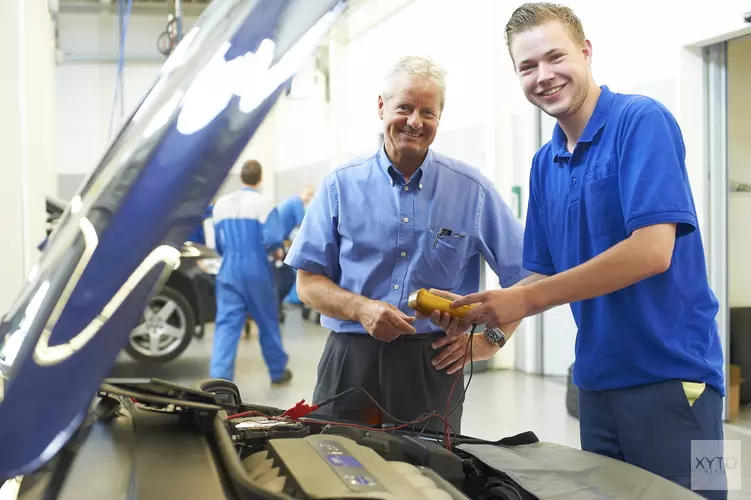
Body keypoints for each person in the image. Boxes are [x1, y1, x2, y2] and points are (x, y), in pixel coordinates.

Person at [446, 3, 726, 497]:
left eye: (555, 57)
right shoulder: (544, 162)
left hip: (680, 383)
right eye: (527, 67)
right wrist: (492, 327)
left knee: (703, 492)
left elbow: (652, 251)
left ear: (586, 51)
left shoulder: (642, 121)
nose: (544, 76)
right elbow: (540, 271)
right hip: (595, 385)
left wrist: (524, 301)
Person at [283, 55, 527, 433]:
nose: (415, 121)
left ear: (439, 119)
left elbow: (526, 278)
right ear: (381, 107)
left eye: (427, 112)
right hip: (351, 357)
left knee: (430, 478)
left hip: (431, 362)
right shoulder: (340, 187)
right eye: (404, 108)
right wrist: (361, 308)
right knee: (339, 467)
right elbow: (308, 283)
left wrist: (490, 341)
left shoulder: (472, 191)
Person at [210, 159, 293, 386]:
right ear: (260, 178)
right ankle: (277, 371)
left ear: (241, 178)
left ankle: (220, 378)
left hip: (228, 269)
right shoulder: (264, 204)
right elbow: (275, 238)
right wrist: (270, 252)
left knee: (227, 324)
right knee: (267, 320)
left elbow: (218, 243)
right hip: (256, 268)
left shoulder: (220, 205)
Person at [276, 186, 315, 307]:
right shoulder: (297, 203)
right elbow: (303, 225)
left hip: (280, 240)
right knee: (287, 276)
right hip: (278, 242)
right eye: (308, 194)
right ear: (302, 192)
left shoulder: (291, 202)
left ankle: (277, 304)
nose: (308, 198)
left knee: (284, 275)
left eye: (311, 195)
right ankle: (277, 304)